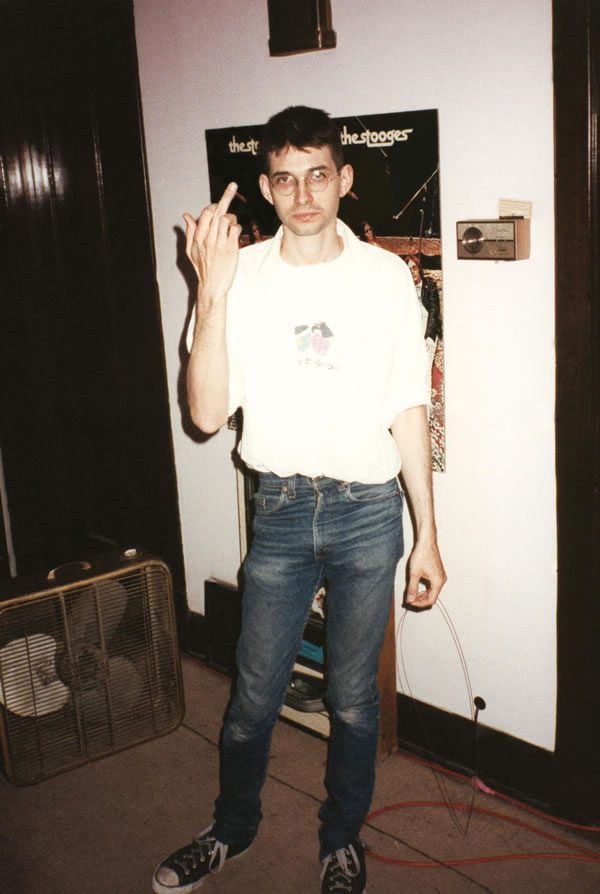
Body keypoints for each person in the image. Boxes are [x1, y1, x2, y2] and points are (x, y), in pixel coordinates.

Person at [153, 106, 446, 894]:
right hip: (279, 508)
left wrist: (428, 536)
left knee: (353, 700)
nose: (304, 193)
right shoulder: (240, 276)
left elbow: (407, 406)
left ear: (343, 179)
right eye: (286, 177)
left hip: (367, 511)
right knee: (253, 695)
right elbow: (208, 415)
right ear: (265, 187)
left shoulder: (385, 276)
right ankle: (231, 829)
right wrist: (210, 291)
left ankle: (341, 841)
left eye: (319, 173)